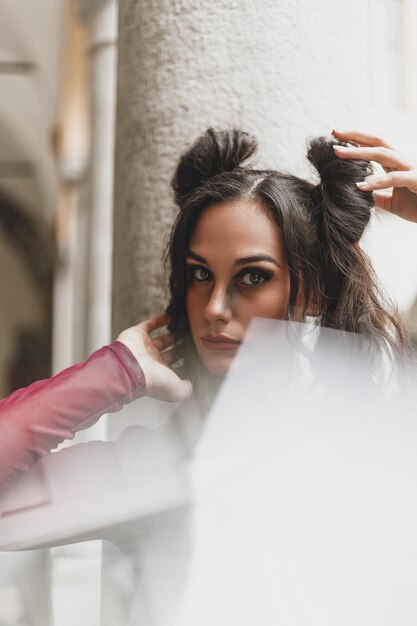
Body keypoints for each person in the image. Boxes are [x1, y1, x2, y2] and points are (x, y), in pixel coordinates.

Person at [1, 127, 416, 493]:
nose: (214, 308)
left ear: (315, 292)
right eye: (199, 275)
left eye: (253, 277)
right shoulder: (149, 470)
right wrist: (115, 372)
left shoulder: (376, 452)